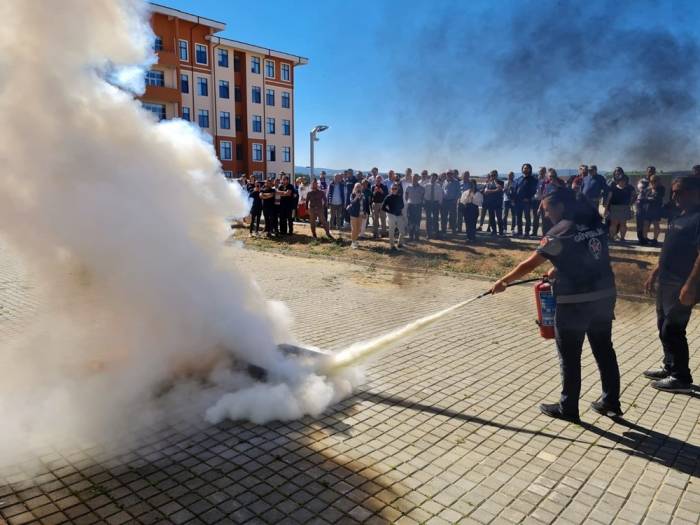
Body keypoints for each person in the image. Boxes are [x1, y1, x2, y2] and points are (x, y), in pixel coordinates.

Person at [491, 188, 622, 421]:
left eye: (547, 209)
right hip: (603, 297)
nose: (545, 214)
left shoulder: (559, 232)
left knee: (570, 356)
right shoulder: (593, 223)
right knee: (604, 350)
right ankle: (611, 402)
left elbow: (528, 265)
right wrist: (558, 268)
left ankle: (568, 407)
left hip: (574, 303)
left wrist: (503, 282)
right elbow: (588, 256)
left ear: (560, 206)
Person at [643, 177, 700, 393]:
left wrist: (691, 286)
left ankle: (681, 378)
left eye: (680, 192)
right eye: (673, 192)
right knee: (662, 325)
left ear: (696, 192)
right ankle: (669, 366)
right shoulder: (678, 215)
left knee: (672, 329)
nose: (675, 196)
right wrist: (654, 273)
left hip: (683, 284)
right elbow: (669, 248)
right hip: (666, 281)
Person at [605, 171, 635, 242]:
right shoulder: (613, 188)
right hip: (615, 207)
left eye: (624, 180)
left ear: (626, 181)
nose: (622, 182)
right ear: (618, 181)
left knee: (622, 224)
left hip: (624, 207)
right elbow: (609, 198)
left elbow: (634, 196)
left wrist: (630, 203)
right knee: (614, 224)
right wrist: (606, 209)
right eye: (621, 180)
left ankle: (622, 238)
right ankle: (613, 238)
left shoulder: (629, 188)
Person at [514, 163, 538, 237]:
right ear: (522, 169)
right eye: (524, 168)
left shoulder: (533, 179)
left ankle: (527, 232)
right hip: (518, 201)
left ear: (530, 169)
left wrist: (528, 198)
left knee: (527, 217)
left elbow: (534, 190)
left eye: (527, 168)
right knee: (518, 217)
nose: (525, 169)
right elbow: (515, 189)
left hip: (526, 202)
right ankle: (519, 232)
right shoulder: (519, 179)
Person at [635, 166, 656, 245]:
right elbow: (641, 189)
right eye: (649, 171)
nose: (651, 172)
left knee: (647, 222)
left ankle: (645, 237)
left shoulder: (655, 180)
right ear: (646, 172)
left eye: (652, 171)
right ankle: (641, 239)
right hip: (641, 203)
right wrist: (651, 187)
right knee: (640, 222)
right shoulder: (642, 180)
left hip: (650, 204)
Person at [382, 183, 405, 250]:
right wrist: (390, 212)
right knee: (391, 231)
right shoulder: (388, 197)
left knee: (402, 231)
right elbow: (383, 207)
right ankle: (392, 245)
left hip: (399, 215)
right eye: (392, 188)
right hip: (391, 215)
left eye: (395, 188)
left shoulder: (399, 197)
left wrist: (398, 210)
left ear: (397, 189)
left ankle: (400, 243)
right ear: (390, 189)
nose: (394, 190)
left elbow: (402, 205)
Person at [644, 175, 665, 246]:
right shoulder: (647, 189)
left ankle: (655, 239)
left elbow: (657, 198)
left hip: (656, 209)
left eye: (654, 181)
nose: (653, 182)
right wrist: (649, 198)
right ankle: (645, 238)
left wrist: (648, 198)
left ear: (658, 181)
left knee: (656, 224)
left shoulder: (661, 188)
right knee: (646, 224)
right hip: (647, 209)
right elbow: (644, 198)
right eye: (651, 181)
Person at [405, 174, 425, 241]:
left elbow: (422, 197)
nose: (415, 180)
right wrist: (409, 201)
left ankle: (416, 236)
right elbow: (406, 196)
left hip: (418, 206)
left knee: (417, 222)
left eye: (416, 178)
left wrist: (419, 203)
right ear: (412, 179)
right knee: (410, 221)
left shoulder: (421, 188)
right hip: (410, 206)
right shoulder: (408, 187)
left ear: (418, 179)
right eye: (413, 178)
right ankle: (411, 236)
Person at [423, 173, 443, 239]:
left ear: (436, 179)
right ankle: (428, 234)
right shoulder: (426, 186)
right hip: (428, 203)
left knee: (435, 219)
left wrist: (440, 204)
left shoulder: (438, 186)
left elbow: (440, 195)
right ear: (430, 177)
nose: (433, 179)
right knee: (428, 219)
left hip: (435, 203)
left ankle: (436, 233)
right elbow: (423, 195)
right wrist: (424, 203)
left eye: (435, 178)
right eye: (432, 177)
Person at [442, 171, 461, 235]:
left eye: (450, 174)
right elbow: (443, 190)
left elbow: (458, 192)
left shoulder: (456, 182)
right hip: (445, 201)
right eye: (447, 174)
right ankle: (443, 230)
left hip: (452, 201)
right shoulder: (445, 181)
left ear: (452, 174)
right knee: (444, 216)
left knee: (453, 217)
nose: (449, 175)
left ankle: (453, 230)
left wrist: (455, 200)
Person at [531, 167, 547, 236]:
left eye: (542, 171)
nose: (541, 172)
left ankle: (544, 233)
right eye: (540, 171)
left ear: (545, 172)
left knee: (544, 218)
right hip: (535, 201)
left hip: (544, 201)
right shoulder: (535, 180)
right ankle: (534, 233)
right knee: (535, 217)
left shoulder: (547, 180)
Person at [347, 182, 364, 249]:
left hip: (361, 214)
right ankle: (353, 242)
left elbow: (364, 204)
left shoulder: (363, 195)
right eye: (357, 187)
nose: (358, 188)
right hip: (354, 214)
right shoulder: (352, 195)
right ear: (354, 188)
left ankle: (355, 240)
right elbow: (352, 203)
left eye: (359, 187)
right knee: (354, 229)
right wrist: (356, 196)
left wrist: (365, 212)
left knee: (359, 229)